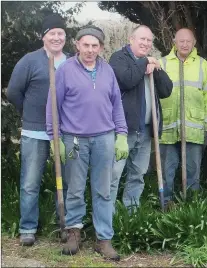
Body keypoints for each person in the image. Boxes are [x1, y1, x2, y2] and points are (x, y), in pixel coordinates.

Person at [46, 25, 128, 260]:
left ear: (101, 47)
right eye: (86, 45)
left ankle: (104, 239)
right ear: (77, 45)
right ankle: (74, 232)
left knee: (103, 190)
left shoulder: (107, 71)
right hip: (74, 139)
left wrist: (121, 135)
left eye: (95, 46)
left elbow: (116, 105)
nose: (90, 50)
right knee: (75, 189)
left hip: (104, 138)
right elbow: (53, 106)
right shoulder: (65, 71)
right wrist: (56, 139)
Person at [6, 13, 70, 246]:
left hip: (65, 135)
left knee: (66, 181)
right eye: (51, 33)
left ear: (65, 36)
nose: (56, 37)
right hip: (35, 134)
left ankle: (65, 225)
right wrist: (31, 114)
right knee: (30, 182)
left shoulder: (72, 62)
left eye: (60, 33)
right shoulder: (30, 61)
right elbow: (13, 92)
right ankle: (27, 228)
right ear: (43, 37)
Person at [109, 25, 173, 211]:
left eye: (149, 40)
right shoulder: (119, 58)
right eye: (142, 39)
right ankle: (108, 215)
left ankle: (131, 213)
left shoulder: (150, 62)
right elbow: (127, 80)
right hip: (123, 130)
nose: (145, 43)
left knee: (137, 174)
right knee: (114, 174)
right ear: (131, 39)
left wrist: (157, 70)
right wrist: (144, 62)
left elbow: (166, 90)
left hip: (145, 130)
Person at [158, 28, 207, 204]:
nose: (184, 44)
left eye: (188, 41)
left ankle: (192, 206)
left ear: (194, 43)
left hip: (194, 129)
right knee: (167, 170)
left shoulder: (202, 64)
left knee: (193, 171)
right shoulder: (162, 63)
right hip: (168, 128)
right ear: (174, 42)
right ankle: (166, 204)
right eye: (181, 41)